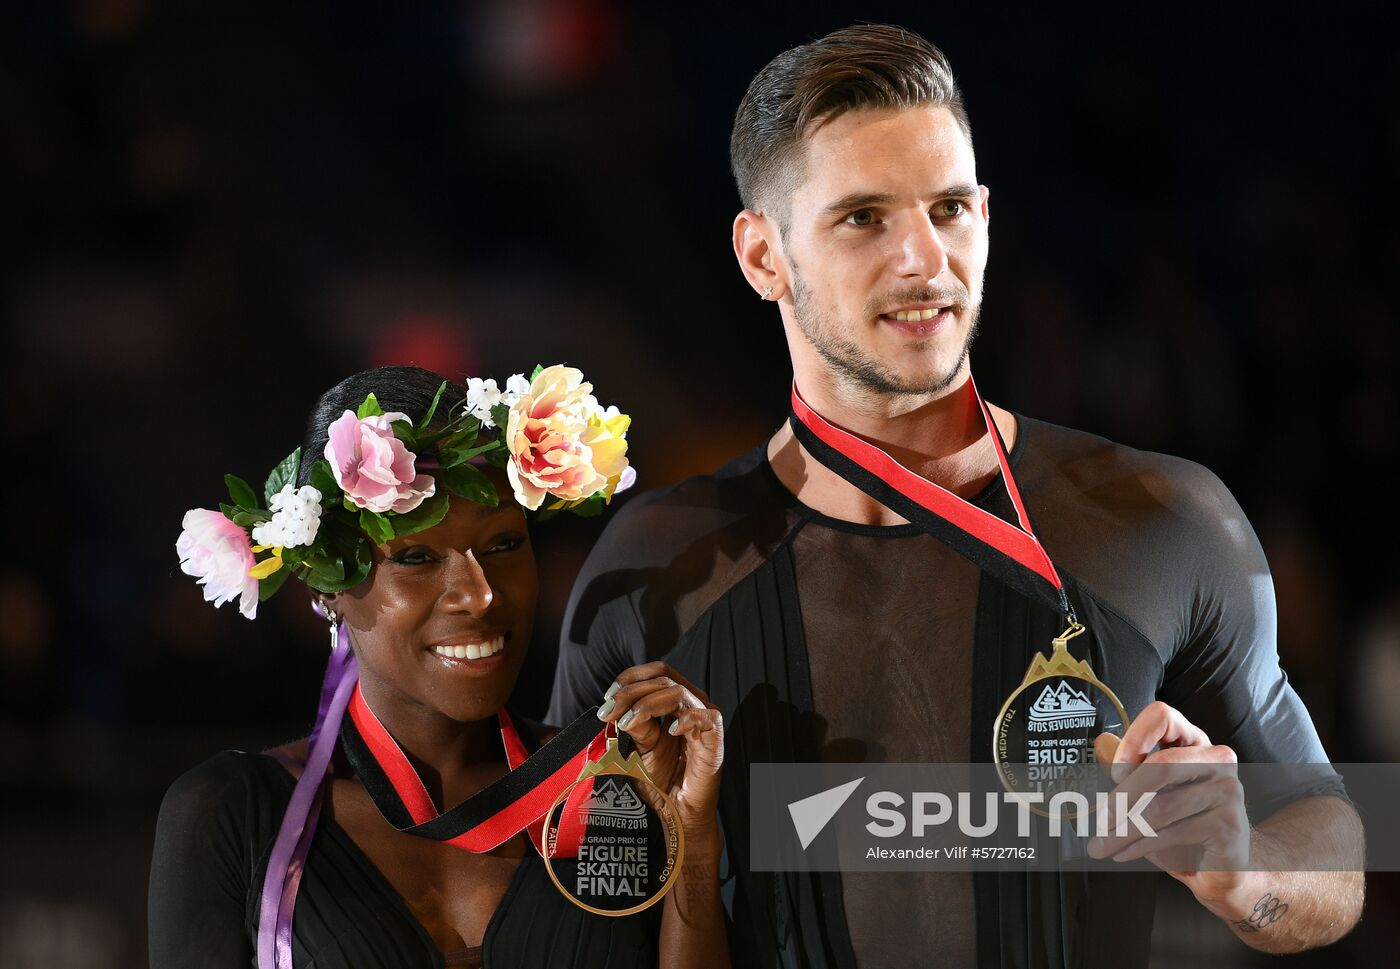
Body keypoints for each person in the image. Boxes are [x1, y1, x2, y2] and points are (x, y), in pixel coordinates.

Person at [548, 24, 1365, 969]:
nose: (925, 260)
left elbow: (1338, 847)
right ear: (762, 256)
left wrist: (1247, 872)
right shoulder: (653, 570)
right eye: (863, 217)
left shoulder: (1163, 518)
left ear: (986, 212)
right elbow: (580, 925)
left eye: (948, 209)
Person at [151, 365, 729, 969]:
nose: (480, 594)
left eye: (504, 545)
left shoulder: (613, 787)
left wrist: (691, 832)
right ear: (325, 588)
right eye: (417, 557)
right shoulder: (232, 814)